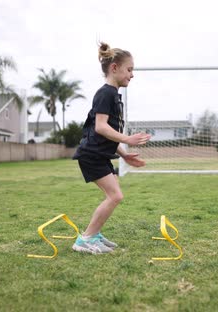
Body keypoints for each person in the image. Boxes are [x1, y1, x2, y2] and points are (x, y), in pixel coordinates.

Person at [72, 42, 151, 254]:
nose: (132, 75)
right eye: (129, 69)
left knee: (115, 194)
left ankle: (93, 235)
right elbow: (100, 127)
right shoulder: (105, 93)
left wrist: (124, 154)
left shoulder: (113, 95)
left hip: (100, 154)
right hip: (91, 155)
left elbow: (107, 132)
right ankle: (85, 240)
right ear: (114, 68)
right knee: (115, 196)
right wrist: (128, 139)